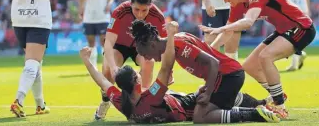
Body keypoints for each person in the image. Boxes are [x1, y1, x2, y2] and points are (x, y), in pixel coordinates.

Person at [82, 22, 279, 124]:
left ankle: (256, 112)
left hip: (226, 75)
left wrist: (210, 90)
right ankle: (262, 104)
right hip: (223, 76)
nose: (149, 59)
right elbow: (171, 66)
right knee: (207, 96)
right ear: (135, 80)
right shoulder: (146, 95)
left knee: (201, 116)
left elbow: (104, 83)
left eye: (145, 54)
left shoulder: (123, 102)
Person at [200, 0, 316, 119]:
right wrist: (211, 49)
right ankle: (277, 95)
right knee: (249, 65)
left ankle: (280, 106)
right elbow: (230, 30)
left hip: (302, 28)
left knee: (265, 57)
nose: (225, 0)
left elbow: (248, 22)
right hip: (283, 30)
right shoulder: (238, 3)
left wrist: (220, 29)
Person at [3, 0, 67, 117]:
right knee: (32, 62)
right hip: (39, 16)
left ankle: (40, 104)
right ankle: (19, 99)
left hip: (19, 16)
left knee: (34, 62)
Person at [81, 22, 194, 123]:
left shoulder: (120, 101)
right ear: (137, 81)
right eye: (137, 73)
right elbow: (166, 67)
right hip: (187, 106)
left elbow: (102, 81)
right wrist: (171, 35)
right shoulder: (153, 96)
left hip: (170, 99)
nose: (140, 73)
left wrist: (87, 61)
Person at [95, 0, 172, 120]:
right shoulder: (119, 12)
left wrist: (170, 71)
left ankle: (144, 105)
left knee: (149, 63)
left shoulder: (158, 16)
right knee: (107, 68)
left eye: (145, 10)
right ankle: (105, 101)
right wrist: (113, 67)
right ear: (130, 4)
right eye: (136, 9)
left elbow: (167, 46)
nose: (140, 14)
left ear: (150, 6)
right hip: (119, 46)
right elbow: (108, 43)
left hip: (141, 46)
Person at [78, 0, 114, 70]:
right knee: (91, 43)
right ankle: (93, 67)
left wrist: (109, 4)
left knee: (104, 42)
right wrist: (81, 10)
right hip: (89, 17)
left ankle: (106, 65)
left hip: (102, 17)